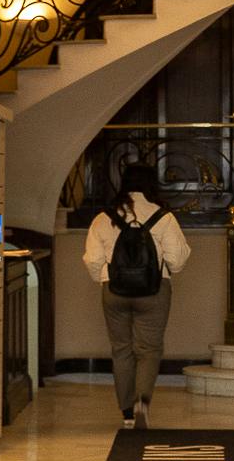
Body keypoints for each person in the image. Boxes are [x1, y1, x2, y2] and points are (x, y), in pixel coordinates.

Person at [82, 166, 191, 429]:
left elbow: (93, 259)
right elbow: (177, 260)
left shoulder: (103, 218)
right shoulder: (163, 217)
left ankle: (127, 413)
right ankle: (143, 401)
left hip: (114, 291)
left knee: (121, 349)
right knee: (149, 349)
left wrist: (105, 278)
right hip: (154, 291)